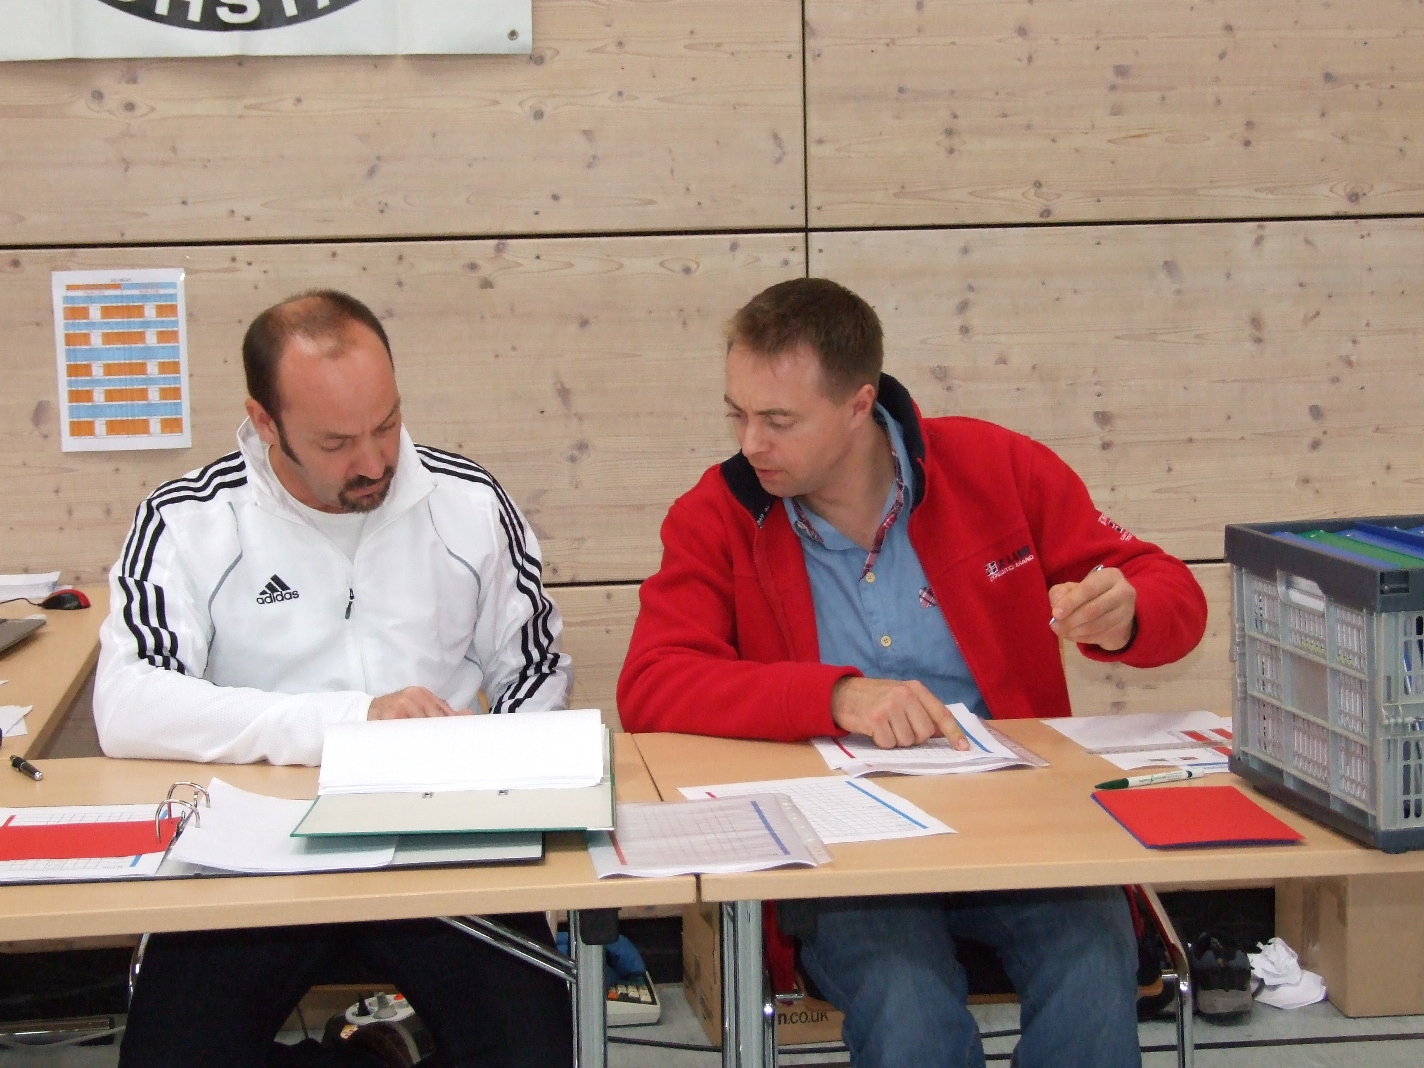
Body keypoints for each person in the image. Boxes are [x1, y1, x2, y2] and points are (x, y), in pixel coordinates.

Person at [617, 278, 1208, 1068]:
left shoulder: (995, 467)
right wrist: (834, 696)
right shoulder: (718, 513)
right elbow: (652, 683)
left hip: (1021, 825)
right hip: (846, 849)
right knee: (909, 1007)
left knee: (1094, 970)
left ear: (859, 405)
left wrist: (1128, 611)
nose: (750, 443)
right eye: (738, 414)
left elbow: (1172, 591)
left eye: (778, 421)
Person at [95, 290, 573, 1068]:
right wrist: (346, 725)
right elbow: (128, 701)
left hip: (440, 853)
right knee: (170, 1057)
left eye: (387, 424)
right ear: (264, 422)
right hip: (253, 859)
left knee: (535, 1050)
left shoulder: (468, 503)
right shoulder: (188, 520)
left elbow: (537, 668)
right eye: (337, 442)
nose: (375, 462)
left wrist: (495, 766)